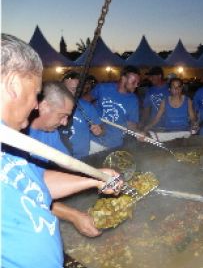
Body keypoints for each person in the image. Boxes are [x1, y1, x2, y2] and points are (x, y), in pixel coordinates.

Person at [0, 33, 119, 267]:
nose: (35, 104)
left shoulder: (10, 142)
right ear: (13, 85)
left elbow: (34, 183)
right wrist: (74, 214)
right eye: (35, 94)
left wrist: (97, 178)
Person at [27, 81, 102, 238]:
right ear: (44, 106)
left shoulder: (50, 132)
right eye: (63, 116)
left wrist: (99, 175)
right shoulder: (17, 135)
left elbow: (67, 163)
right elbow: (29, 191)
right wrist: (73, 215)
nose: (65, 123)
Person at [90, 65, 141, 148]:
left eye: (137, 83)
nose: (136, 85)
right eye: (133, 82)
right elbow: (85, 101)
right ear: (123, 79)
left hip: (114, 143)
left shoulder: (133, 100)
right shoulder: (102, 88)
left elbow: (132, 123)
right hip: (94, 140)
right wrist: (90, 113)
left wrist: (138, 132)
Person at [59, 71, 104, 158]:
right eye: (66, 89)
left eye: (75, 89)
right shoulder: (52, 107)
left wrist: (100, 131)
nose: (70, 92)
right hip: (59, 158)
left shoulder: (86, 107)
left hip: (82, 159)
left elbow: (102, 129)